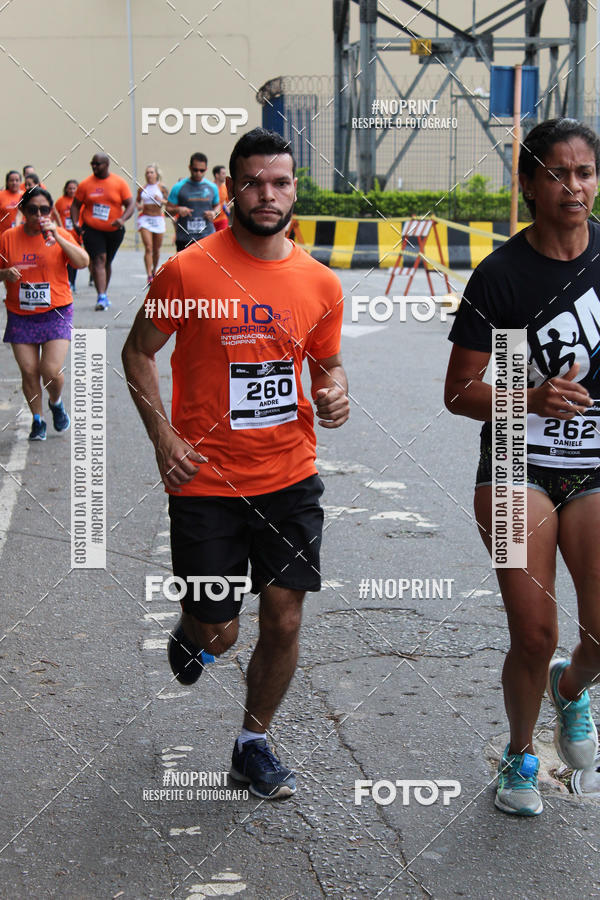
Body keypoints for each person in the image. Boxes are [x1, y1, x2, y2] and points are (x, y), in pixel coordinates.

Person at [122, 128, 349, 800]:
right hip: (206, 484)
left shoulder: (319, 281)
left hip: (290, 477)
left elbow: (327, 362)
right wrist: (164, 438)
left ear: (295, 189)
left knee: (284, 618)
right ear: (231, 189)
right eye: (253, 182)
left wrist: (335, 390)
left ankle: (253, 743)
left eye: (279, 182)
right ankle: (195, 632)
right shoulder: (187, 271)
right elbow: (138, 353)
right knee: (219, 631)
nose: (267, 194)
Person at [445, 118, 600, 816]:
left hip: (595, 462)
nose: (575, 187)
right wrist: (532, 396)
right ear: (530, 184)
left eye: (587, 172)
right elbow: (459, 392)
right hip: (516, 460)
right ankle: (520, 755)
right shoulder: (502, 276)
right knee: (534, 631)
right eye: (559, 174)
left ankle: (570, 689)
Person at [0, 187, 89, 440]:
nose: (38, 214)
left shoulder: (59, 235)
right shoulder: (7, 237)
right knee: (29, 371)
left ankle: (56, 402)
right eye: (32, 210)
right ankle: (38, 420)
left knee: (50, 370)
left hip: (56, 312)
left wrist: (57, 237)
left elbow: (83, 262)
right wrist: (5, 274)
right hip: (21, 314)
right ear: (23, 211)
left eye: (44, 209)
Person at [70, 153, 135, 310]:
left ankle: (103, 292)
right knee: (99, 259)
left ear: (106, 165)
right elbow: (75, 205)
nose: (94, 166)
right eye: (92, 163)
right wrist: (75, 223)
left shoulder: (118, 183)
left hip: (114, 229)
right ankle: (101, 296)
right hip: (92, 228)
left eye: (98, 164)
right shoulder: (86, 184)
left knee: (107, 261)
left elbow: (131, 204)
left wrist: (122, 219)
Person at [166, 152, 220, 252]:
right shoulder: (178, 187)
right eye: (195, 170)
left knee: (206, 267)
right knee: (185, 268)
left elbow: (218, 206)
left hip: (207, 236)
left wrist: (214, 212)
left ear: (206, 169)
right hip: (185, 238)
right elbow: (167, 211)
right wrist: (178, 209)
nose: (198, 173)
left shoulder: (212, 187)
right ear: (190, 168)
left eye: (202, 170)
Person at [136, 163, 168, 282]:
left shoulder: (162, 188)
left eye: (151, 172)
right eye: (147, 173)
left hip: (158, 219)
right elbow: (137, 202)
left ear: (156, 174)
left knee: (156, 249)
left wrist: (162, 200)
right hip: (145, 219)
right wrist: (139, 206)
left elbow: (170, 202)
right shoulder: (142, 188)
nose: (149, 175)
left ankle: (155, 270)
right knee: (148, 247)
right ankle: (149, 274)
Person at [54, 180, 83, 292]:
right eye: (69, 188)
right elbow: (54, 214)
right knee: (65, 260)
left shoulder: (80, 202)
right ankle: (68, 281)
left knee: (75, 261)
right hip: (64, 236)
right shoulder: (60, 201)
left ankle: (73, 282)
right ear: (66, 189)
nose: (71, 190)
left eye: (74, 188)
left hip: (76, 235)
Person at [212, 164, 230, 232]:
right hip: (211, 220)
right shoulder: (210, 188)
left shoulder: (225, 188)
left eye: (225, 173)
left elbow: (229, 201)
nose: (225, 176)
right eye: (223, 173)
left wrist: (227, 207)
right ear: (217, 175)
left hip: (223, 219)